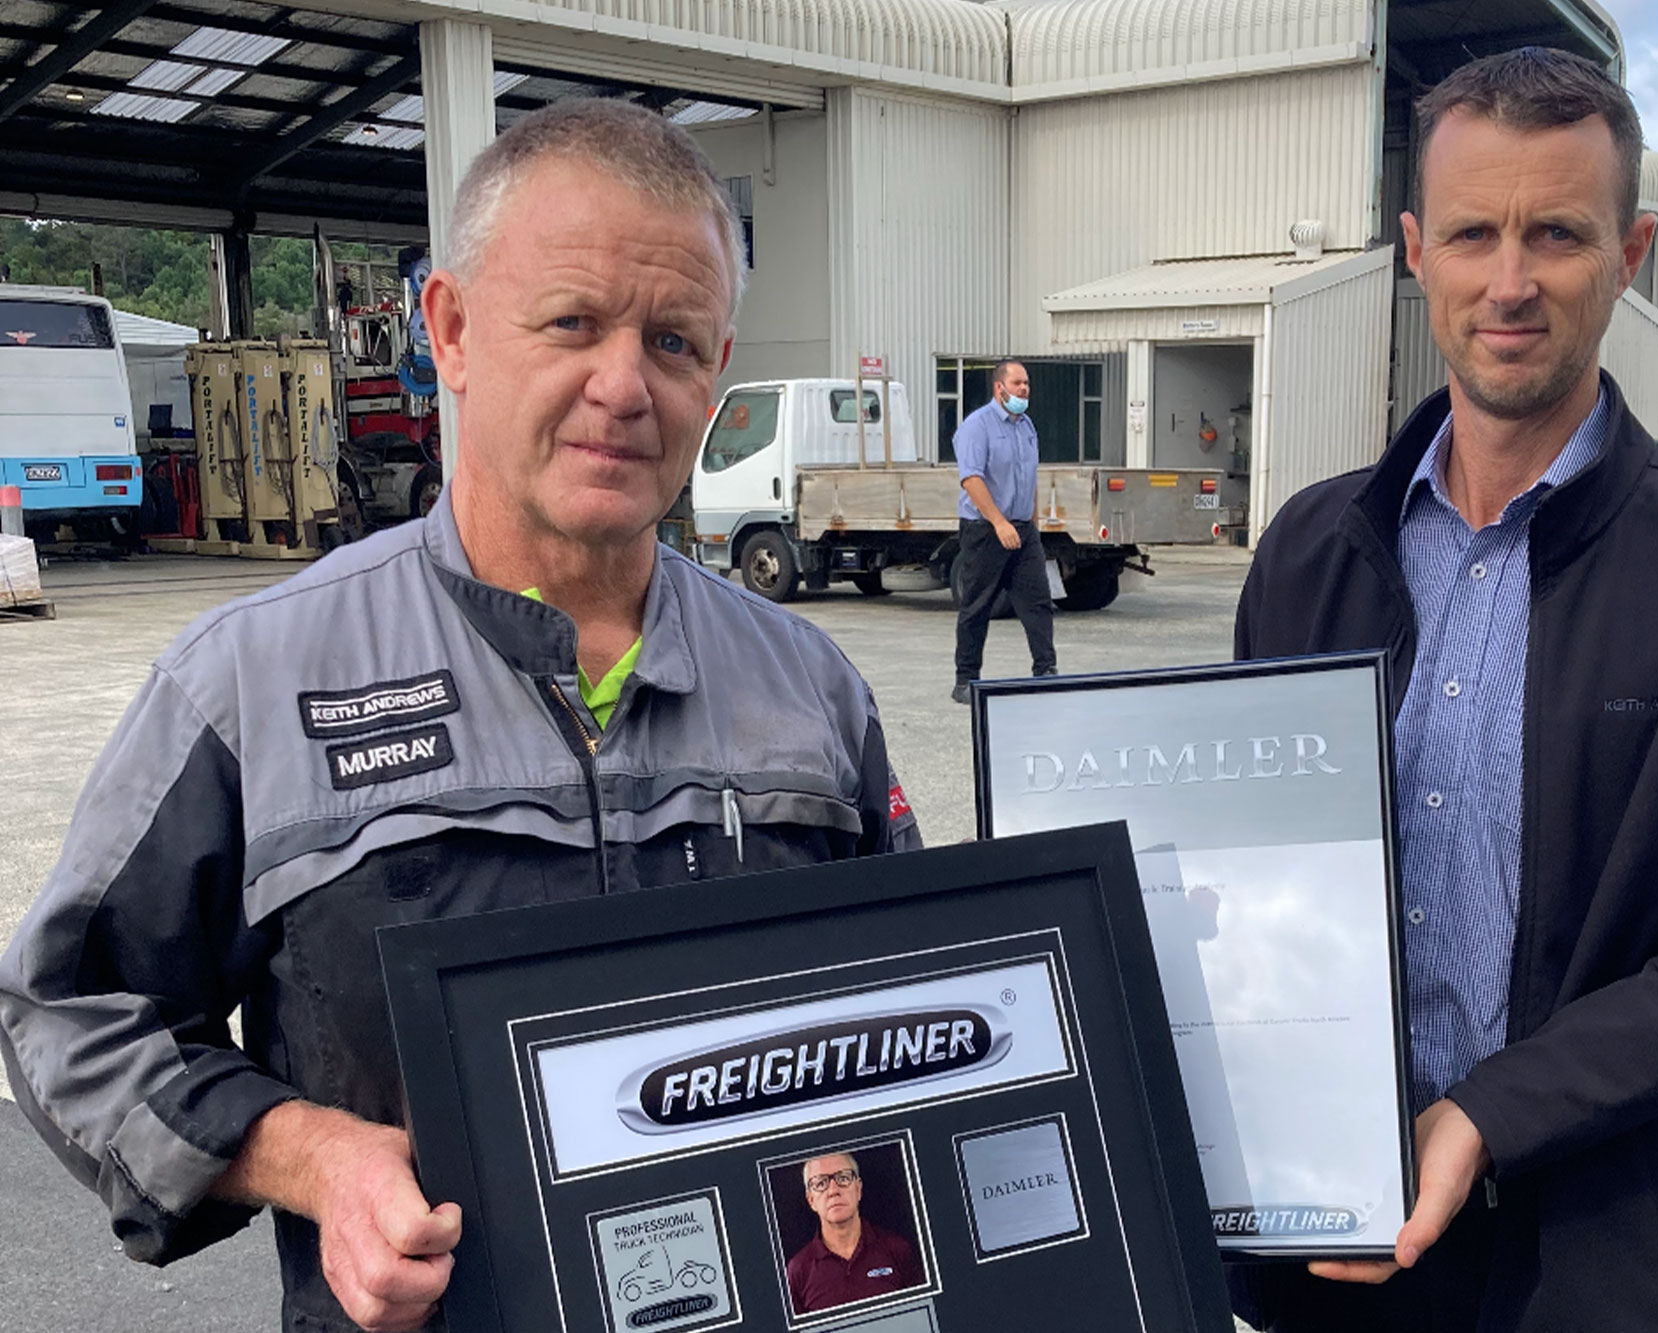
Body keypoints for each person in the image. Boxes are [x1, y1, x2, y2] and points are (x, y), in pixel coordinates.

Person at [0, 100, 920, 1333]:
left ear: (716, 372)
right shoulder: (251, 685)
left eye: (675, 341)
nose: (623, 384)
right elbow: (68, 1013)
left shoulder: (808, 688)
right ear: (452, 329)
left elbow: (910, 1006)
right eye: (572, 324)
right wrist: (312, 1155)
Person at [1230, 47, 1658, 1332]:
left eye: (1556, 234)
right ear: (1416, 252)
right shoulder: (1308, 551)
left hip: (1601, 1263)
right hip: (1338, 1255)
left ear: (1626, 252)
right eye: (1471, 232)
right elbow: (1245, 884)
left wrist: (1490, 1114)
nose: (1507, 282)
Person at [951, 359, 1056, 703]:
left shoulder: (1026, 426)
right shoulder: (976, 426)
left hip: (1024, 530)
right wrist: (998, 522)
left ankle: (1046, 670)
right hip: (986, 529)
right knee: (977, 605)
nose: (1024, 389)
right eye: (1017, 384)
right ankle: (966, 679)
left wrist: (1031, 523)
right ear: (1000, 388)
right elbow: (972, 479)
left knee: (1038, 602)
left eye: (1026, 384)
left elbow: (1030, 478)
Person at [784, 1152, 920, 1314]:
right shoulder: (798, 1270)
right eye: (820, 1183)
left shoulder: (897, 1249)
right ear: (811, 1200)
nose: (833, 1190)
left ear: (858, 1188)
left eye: (843, 1178)